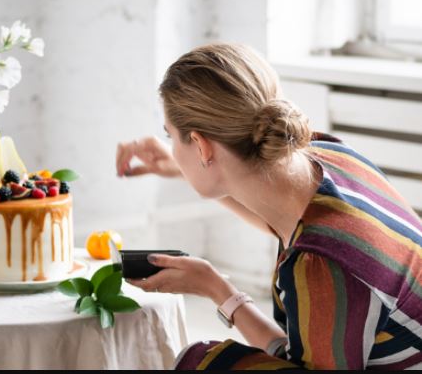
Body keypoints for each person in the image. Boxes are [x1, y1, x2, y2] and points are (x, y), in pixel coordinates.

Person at [115, 43, 422, 370]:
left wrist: (218, 289)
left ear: (203, 147)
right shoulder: (324, 155)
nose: (171, 148)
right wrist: (213, 284)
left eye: (172, 137)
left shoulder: (321, 265)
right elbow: (281, 221)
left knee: (204, 363)